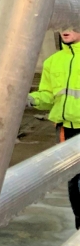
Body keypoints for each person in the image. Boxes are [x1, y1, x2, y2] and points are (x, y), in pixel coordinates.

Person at [29, 29, 80, 229]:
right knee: (73, 179)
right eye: (62, 26)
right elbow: (48, 96)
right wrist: (30, 99)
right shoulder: (53, 62)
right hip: (65, 129)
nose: (65, 30)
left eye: (71, 25)